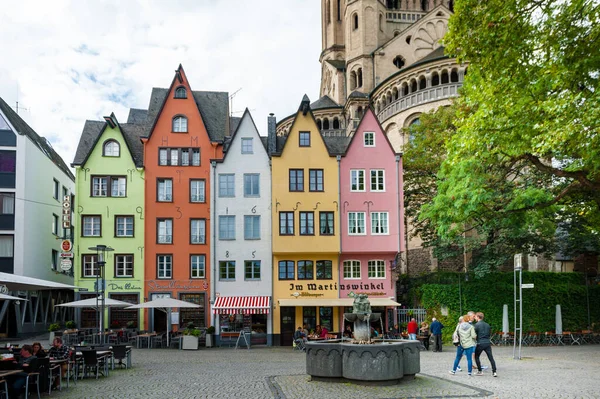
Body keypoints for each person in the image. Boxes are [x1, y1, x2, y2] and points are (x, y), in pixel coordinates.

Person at [474, 312, 498, 377]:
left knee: (476, 357)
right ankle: (494, 371)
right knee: (491, 357)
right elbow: (489, 333)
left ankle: (480, 371)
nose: (474, 318)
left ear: (478, 317)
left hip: (480, 343)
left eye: (475, 316)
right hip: (487, 342)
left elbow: (474, 334)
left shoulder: (476, 325)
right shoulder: (487, 325)